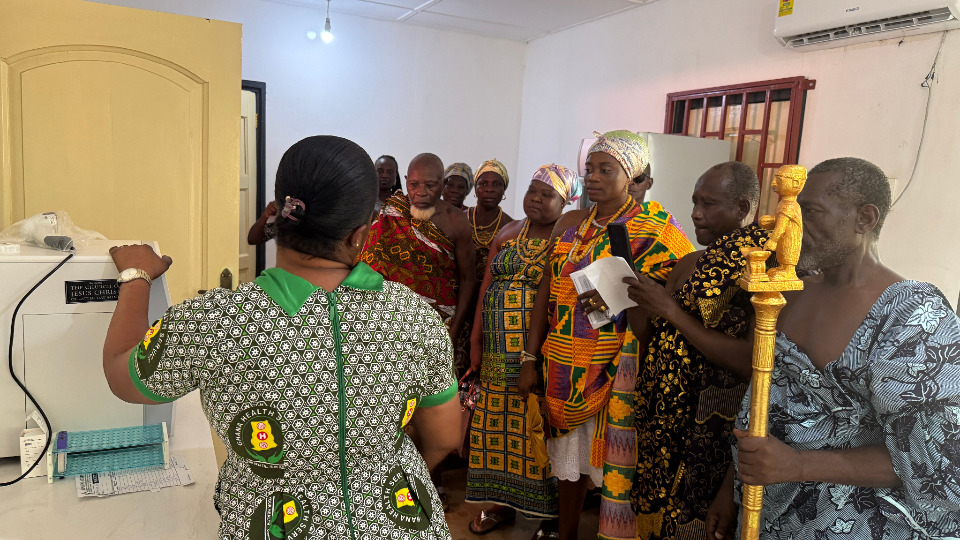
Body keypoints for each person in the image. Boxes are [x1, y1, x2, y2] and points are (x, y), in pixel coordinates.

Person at [102, 135, 462, 540]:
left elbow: (122, 374)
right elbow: (446, 435)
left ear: (275, 215)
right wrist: (379, 465)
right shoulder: (414, 317)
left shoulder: (217, 321)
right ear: (360, 235)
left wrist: (135, 277)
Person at [710, 157, 960, 539]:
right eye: (790, 211)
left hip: (852, 521)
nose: (792, 224)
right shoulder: (792, 294)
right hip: (766, 509)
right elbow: (764, 405)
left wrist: (798, 466)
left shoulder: (912, 316)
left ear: (865, 219)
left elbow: (930, 464)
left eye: (810, 211)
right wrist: (732, 489)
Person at [519, 130, 694, 540]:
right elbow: (548, 288)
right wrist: (530, 357)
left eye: (606, 169)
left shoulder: (656, 228)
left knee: (616, 468)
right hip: (562, 361)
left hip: (620, 365)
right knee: (569, 465)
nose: (593, 177)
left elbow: (677, 290)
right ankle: (566, 535)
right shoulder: (569, 223)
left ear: (630, 174)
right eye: (590, 169)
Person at [621, 161, 765, 539]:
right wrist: (630, 297)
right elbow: (651, 337)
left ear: (742, 208)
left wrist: (670, 310)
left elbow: (752, 360)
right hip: (660, 422)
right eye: (694, 201)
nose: (695, 214)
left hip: (706, 430)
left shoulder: (761, 265)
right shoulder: (688, 262)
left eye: (709, 204)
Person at [464, 164, 581, 538]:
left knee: (532, 431)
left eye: (547, 194)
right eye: (532, 190)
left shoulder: (567, 238)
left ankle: (541, 515)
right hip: (497, 352)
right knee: (494, 426)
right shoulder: (508, 232)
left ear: (565, 202)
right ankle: (500, 503)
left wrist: (533, 358)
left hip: (536, 353)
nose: (536, 198)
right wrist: (475, 341)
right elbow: (485, 290)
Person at [361, 153, 476, 343]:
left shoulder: (457, 221)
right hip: (391, 323)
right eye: (413, 185)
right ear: (405, 181)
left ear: (442, 184)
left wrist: (454, 331)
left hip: (438, 324)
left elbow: (468, 279)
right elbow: (368, 266)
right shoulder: (392, 211)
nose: (421, 192)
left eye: (430, 185)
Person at [471, 159, 515, 282]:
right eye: (483, 184)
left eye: (496, 184)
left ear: (504, 190)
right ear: (475, 188)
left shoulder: (511, 227)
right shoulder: (460, 219)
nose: (489, 189)